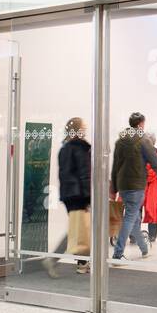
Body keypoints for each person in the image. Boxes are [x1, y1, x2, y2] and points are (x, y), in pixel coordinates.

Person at [110, 112, 157, 263]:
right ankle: (117, 253)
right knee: (130, 218)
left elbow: (115, 166)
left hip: (123, 185)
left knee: (133, 218)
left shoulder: (120, 141)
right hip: (136, 185)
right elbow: (154, 160)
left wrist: (113, 187)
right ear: (141, 124)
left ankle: (144, 248)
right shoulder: (143, 140)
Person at [48, 117, 92, 277]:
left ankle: (83, 263)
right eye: (83, 127)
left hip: (70, 195)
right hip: (79, 195)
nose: (85, 130)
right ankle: (53, 260)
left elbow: (65, 174)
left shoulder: (65, 148)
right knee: (78, 232)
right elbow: (84, 174)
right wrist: (88, 197)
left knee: (79, 230)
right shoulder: (79, 148)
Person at [143, 131, 157, 246]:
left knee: (142, 209)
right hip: (147, 185)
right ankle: (151, 235)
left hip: (147, 185)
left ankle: (136, 235)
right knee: (151, 209)